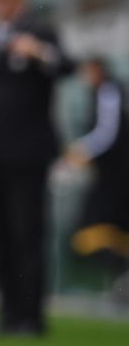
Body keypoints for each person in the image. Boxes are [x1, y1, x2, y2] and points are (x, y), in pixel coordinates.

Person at [0, 0, 74, 337]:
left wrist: (39, 52)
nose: (3, 5)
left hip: (27, 153)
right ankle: (8, 313)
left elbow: (66, 66)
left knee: (28, 232)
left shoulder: (40, 31)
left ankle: (31, 316)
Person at [62, 57, 129, 292]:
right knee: (103, 230)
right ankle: (120, 277)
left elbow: (108, 132)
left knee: (96, 225)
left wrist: (83, 149)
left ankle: (121, 275)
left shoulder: (108, 92)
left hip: (117, 178)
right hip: (109, 176)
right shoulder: (101, 93)